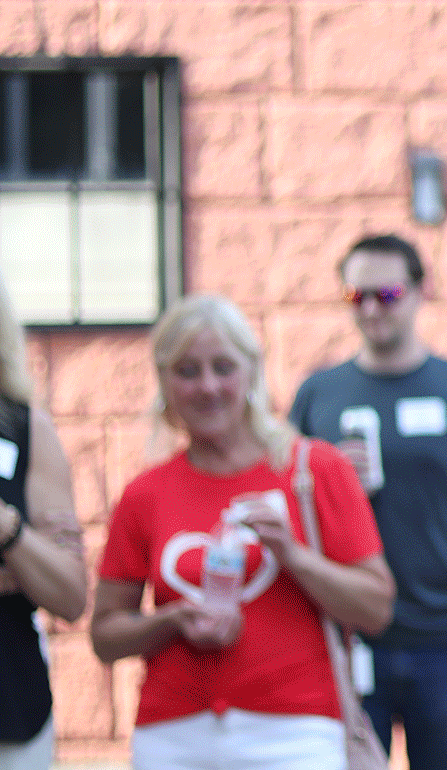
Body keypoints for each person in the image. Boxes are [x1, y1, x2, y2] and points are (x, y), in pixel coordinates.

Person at [91, 294, 394, 770]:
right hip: (173, 735)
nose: (208, 386)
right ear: (164, 382)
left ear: (252, 371)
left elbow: (376, 608)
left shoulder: (314, 470)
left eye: (223, 367)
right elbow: (105, 636)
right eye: (187, 371)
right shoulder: (144, 493)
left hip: (296, 733)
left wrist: (292, 554)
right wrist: (171, 621)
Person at [289, 234, 447, 770]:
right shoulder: (319, 394)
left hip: (446, 632)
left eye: (387, 294)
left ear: (422, 291)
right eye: (356, 296)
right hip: (349, 631)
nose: (372, 309)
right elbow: (291, 509)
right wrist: (331, 481)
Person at [0, 272, 86, 770]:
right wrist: (19, 568)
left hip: (11, 706)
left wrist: (8, 529)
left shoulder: (26, 429)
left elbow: (70, 595)